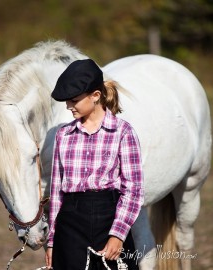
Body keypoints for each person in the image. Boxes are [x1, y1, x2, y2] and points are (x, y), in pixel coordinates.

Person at [45, 59, 144, 270]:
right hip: (69, 223)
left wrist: (118, 234)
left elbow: (133, 189)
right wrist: (52, 241)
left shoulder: (123, 132)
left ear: (96, 96)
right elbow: (56, 193)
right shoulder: (64, 135)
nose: (68, 106)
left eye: (73, 100)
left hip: (108, 217)